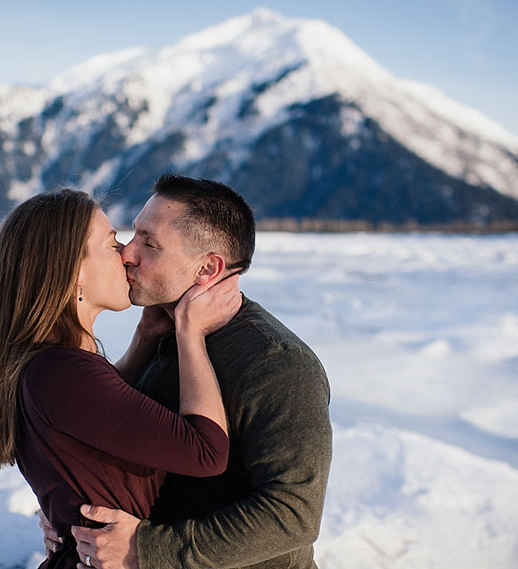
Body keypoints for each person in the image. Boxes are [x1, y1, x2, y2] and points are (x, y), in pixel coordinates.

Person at [42, 174, 332, 569]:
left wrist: (148, 548)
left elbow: (293, 515)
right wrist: (67, 507)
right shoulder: (164, 332)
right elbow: (109, 435)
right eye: (133, 235)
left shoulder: (276, 362)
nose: (127, 253)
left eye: (150, 244)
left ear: (207, 269)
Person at [0, 189, 243, 569]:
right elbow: (207, 452)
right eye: (111, 243)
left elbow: (99, 414)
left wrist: (145, 337)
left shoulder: (50, 365)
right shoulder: (62, 373)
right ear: (73, 273)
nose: (126, 254)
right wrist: (190, 332)